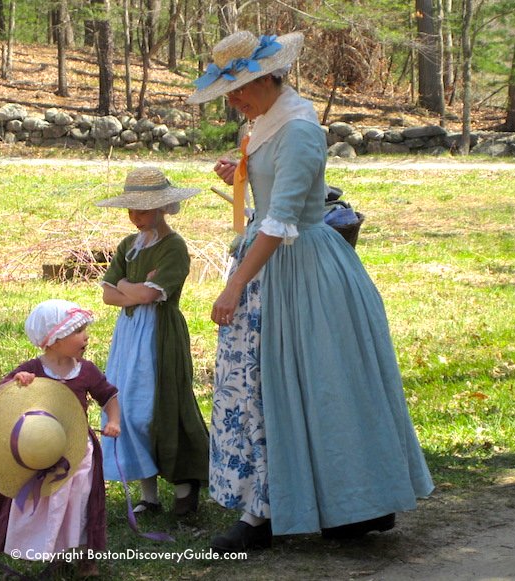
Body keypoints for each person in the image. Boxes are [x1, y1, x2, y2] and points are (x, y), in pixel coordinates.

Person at [186, 31, 434, 552]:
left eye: (240, 88)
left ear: (270, 77)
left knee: (316, 385)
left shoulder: (299, 128)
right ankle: (271, 506)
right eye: (228, 91)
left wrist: (233, 286)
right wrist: (244, 172)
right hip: (271, 266)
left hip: (300, 271)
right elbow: (276, 193)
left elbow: (281, 221)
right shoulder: (265, 122)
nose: (233, 100)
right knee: (262, 390)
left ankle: (339, 504)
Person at [96, 166, 210, 517]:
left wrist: (130, 289)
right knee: (125, 405)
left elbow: (149, 295)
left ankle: (185, 486)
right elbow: (108, 295)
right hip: (129, 336)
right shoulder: (128, 246)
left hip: (159, 335)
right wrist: (135, 289)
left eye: (143, 210)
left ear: (162, 208)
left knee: (159, 405)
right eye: (131, 210)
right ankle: (149, 493)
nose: (135, 217)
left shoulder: (173, 247)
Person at [0, 299, 120, 578]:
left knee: (78, 502)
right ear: (52, 339)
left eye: (85, 330)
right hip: (41, 453)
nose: (86, 336)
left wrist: (114, 420)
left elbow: (109, 396)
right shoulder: (34, 370)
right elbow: (0, 394)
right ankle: (54, 551)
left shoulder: (86, 370)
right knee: (49, 504)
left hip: (78, 453)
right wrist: (16, 382)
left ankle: (85, 555)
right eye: (77, 331)